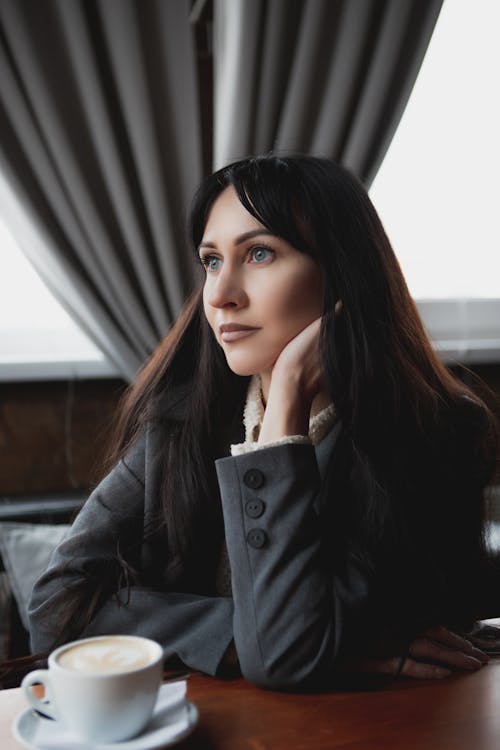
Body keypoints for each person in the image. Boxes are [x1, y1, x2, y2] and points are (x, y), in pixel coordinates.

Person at [28, 154, 499, 690]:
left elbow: (282, 655)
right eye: (210, 260)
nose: (220, 293)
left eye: (258, 253)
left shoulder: (435, 432)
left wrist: (290, 401)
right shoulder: (177, 425)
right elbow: (56, 605)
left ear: (342, 271)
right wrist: (310, 646)